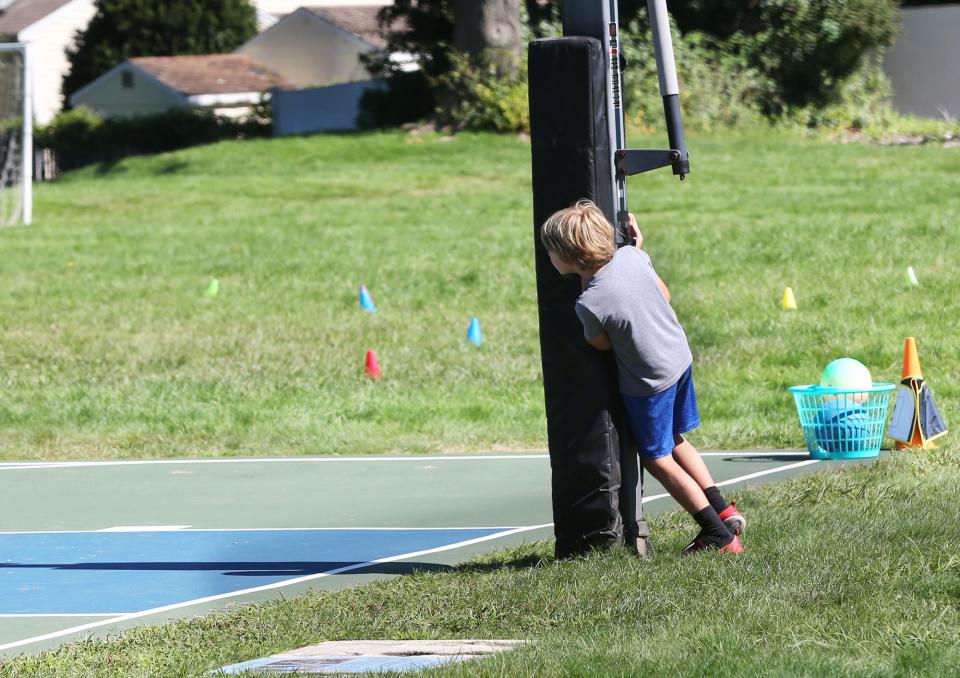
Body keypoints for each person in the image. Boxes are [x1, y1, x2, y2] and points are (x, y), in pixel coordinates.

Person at [540, 199, 745, 555]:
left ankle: (717, 535)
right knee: (676, 439)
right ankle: (724, 509)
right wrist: (638, 251)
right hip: (679, 360)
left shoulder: (590, 302)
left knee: (656, 457)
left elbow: (600, 344)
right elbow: (663, 294)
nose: (548, 258)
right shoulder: (633, 257)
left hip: (649, 383)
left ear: (569, 256)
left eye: (551, 251)